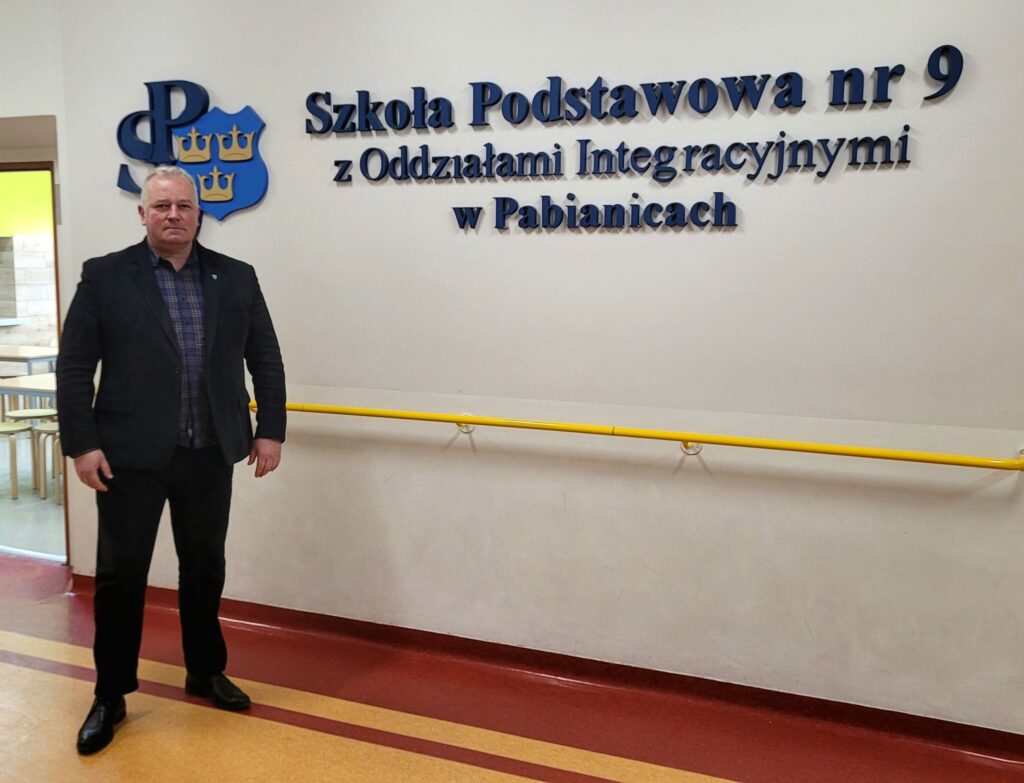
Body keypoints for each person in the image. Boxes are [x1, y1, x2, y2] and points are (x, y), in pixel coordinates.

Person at [56, 165, 286, 754]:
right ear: (143, 214)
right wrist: (81, 443)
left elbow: (265, 357)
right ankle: (110, 693)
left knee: (205, 568)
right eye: (161, 206)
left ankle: (205, 671)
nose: (174, 215)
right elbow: (75, 366)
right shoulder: (106, 275)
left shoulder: (236, 277)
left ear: (199, 213)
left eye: (184, 205)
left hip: (209, 450)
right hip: (127, 456)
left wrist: (270, 431)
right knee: (121, 577)